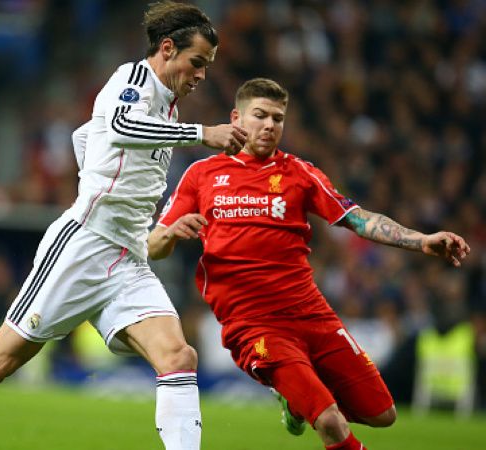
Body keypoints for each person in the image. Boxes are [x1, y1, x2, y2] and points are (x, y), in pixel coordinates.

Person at [0, 2, 247, 448]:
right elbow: (119, 124)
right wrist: (202, 134)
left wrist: (111, 187)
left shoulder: (169, 109)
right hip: (83, 245)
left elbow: (86, 136)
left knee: (179, 356)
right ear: (166, 48)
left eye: (207, 66)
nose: (201, 74)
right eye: (196, 62)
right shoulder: (133, 80)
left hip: (128, 258)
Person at [148, 78, 470, 450]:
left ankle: (295, 401)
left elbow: (358, 218)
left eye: (278, 118)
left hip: (311, 314)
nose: (269, 125)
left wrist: (422, 240)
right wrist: (172, 233)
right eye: (260, 115)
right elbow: (154, 246)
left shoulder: (299, 173)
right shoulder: (202, 174)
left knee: (383, 414)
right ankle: (302, 399)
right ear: (236, 117)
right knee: (330, 422)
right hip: (254, 325)